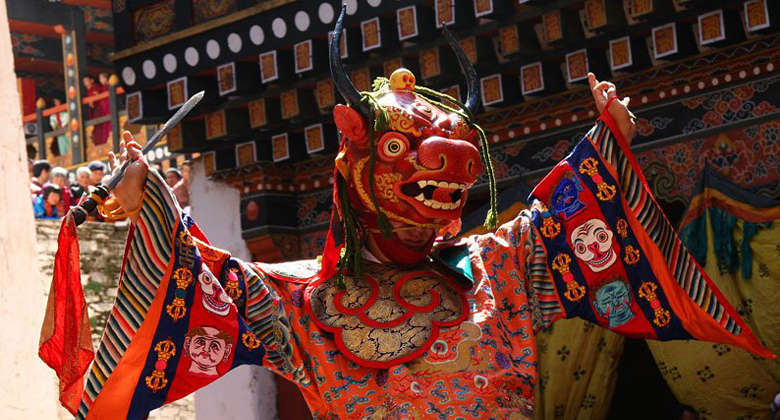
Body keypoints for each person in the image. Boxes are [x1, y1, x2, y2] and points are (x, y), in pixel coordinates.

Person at [73, 16, 773, 419]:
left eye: (456, 164)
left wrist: (607, 144)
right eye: (406, 155)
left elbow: (566, 214)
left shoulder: (499, 267)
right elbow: (204, 274)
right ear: (354, 159)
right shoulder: (298, 302)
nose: (441, 183)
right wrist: (148, 201)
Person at [83, 75, 109, 145]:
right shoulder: (89, 91)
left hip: (101, 110)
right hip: (95, 112)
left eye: (86, 81)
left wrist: (94, 99)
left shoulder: (97, 87)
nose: (85, 83)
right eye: (84, 82)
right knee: (96, 128)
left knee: (101, 128)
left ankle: (103, 142)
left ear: (92, 80)